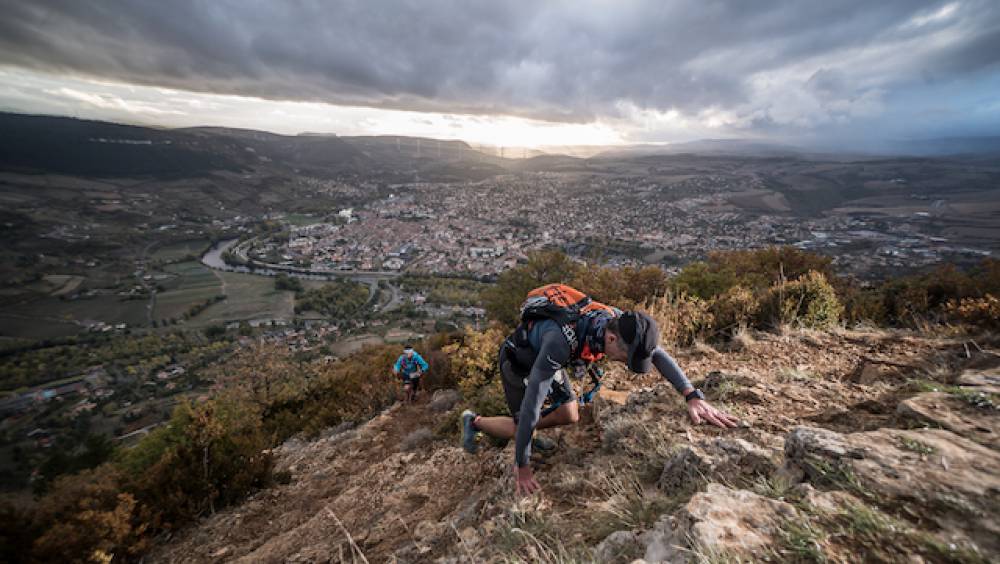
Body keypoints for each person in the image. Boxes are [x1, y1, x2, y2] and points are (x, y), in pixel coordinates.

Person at [460, 284, 738, 496]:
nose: (624, 364)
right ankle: (475, 422)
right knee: (523, 422)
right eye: (625, 358)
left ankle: (525, 434)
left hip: (545, 359)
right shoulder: (560, 343)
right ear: (612, 338)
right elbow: (533, 404)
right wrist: (522, 467)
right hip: (519, 363)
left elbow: (657, 354)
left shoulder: (617, 320)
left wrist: (692, 395)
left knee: (570, 415)